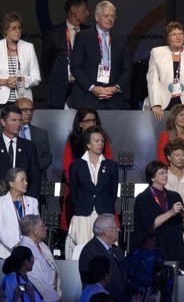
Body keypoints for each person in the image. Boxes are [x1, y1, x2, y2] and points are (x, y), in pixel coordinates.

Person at [68, 126, 119, 260]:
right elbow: (73, 193)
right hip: (83, 215)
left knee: (104, 253)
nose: (100, 144)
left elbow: (113, 193)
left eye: (102, 141)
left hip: (104, 214)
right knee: (83, 250)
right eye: (97, 141)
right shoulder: (76, 165)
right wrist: (85, 204)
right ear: (88, 144)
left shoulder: (111, 166)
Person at [69, 0, 131, 110]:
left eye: (113, 16)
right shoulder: (83, 37)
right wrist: (92, 88)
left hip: (114, 99)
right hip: (88, 97)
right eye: (106, 16)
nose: (110, 19)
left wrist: (116, 88)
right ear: (97, 17)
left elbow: (127, 68)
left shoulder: (121, 39)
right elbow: (75, 67)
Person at [61, 107, 113, 233]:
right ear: (80, 123)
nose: (91, 124)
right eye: (88, 121)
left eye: (94, 121)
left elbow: (109, 166)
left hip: (101, 195)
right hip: (80, 194)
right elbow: (68, 169)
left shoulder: (103, 141)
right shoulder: (72, 142)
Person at [133, 161, 184, 272]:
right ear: (152, 177)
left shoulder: (174, 196)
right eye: (161, 173)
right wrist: (170, 213)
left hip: (174, 247)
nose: (165, 176)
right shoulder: (144, 198)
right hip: (154, 247)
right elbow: (149, 225)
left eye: (166, 173)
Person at [146, 21, 184, 121]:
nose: (178, 37)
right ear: (167, 38)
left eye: (180, 34)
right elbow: (153, 80)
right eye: (173, 34)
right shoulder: (156, 53)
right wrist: (156, 104)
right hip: (163, 103)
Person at [42, 0, 91, 109]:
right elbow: (46, 62)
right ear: (73, 10)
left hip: (82, 87)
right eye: (84, 9)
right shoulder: (54, 33)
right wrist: (53, 81)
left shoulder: (89, 33)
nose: (88, 13)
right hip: (59, 88)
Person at [79, 213, 127, 302]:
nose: (119, 230)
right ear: (106, 232)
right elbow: (95, 281)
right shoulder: (89, 251)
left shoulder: (117, 251)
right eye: (115, 227)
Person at [0, 12, 41, 107]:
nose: (18, 31)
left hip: (23, 101)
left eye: (19, 28)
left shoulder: (28, 47)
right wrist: (5, 82)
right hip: (2, 101)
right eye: (14, 28)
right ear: (6, 30)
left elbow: (36, 77)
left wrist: (22, 80)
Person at [0, 105, 40, 198]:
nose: (18, 124)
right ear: (3, 122)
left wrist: (29, 200)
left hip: (23, 201)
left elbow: (35, 178)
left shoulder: (29, 146)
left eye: (20, 120)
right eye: (14, 120)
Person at [19, 215, 61, 301]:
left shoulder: (42, 245)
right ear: (35, 231)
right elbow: (36, 280)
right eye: (42, 226)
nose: (45, 228)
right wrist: (54, 298)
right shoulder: (26, 251)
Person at [0, 168, 39, 259]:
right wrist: (15, 245)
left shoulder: (32, 202)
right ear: (11, 183)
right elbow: (1, 229)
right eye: (22, 180)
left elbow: (36, 226)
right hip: (6, 253)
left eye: (26, 180)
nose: (26, 183)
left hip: (28, 253)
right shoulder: (1, 203)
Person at [15, 98, 52, 181]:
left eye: (31, 110)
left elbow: (48, 157)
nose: (29, 113)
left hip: (35, 178)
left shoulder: (41, 133)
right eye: (25, 110)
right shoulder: (6, 132)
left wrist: (32, 166)